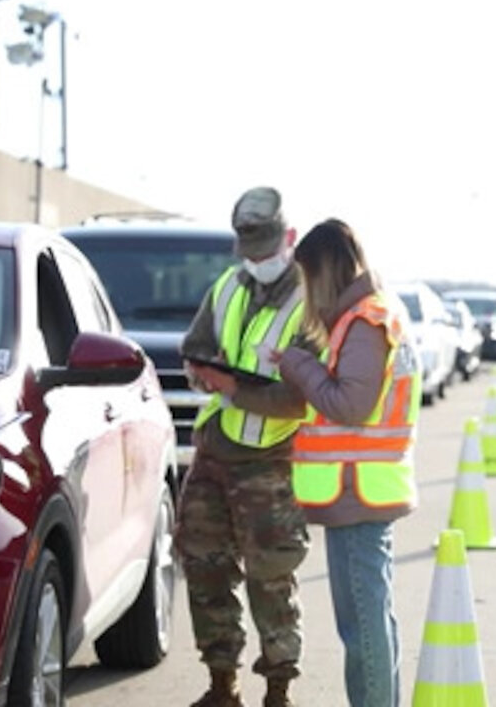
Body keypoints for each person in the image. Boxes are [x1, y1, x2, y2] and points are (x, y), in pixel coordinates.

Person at [277, 219, 422, 707]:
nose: (306, 293)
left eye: (307, 279)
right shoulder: (371, 315)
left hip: (357, 493)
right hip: (361, 490)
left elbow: (350, 405)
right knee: (372, 622)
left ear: (326, 271)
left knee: (363, 629)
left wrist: (298, 366)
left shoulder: (366, 321)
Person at [177, 186, 312, 707]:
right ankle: (221, 685)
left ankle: (278, 691)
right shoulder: (228, 286)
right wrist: (202, 373)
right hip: (214, 453)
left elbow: (298, 399)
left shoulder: (309, 302)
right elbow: (196, 348)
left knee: (270, 577)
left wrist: (234, 388)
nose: (257, 263)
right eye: (249, 254)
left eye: (265, 252)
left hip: (269, 461)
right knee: (205, 566)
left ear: (289, 239)